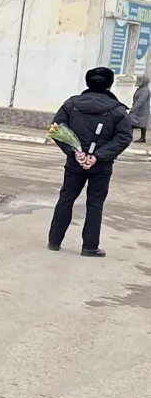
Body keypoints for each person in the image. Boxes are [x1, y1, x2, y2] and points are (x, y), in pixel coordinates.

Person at [48, 67, 134, 257]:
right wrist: (98, 156)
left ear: (87, 83)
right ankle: (89, 247)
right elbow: (124, 136)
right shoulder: (118, 110)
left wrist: (74, 152)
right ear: (110, 84)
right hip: (101, 166)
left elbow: (56, 128)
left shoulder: (71, 105)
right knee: (95, 204)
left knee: (66, 199)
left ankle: (54, 241)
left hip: (74, 163)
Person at [130, 73, 149, 144]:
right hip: (138, 109)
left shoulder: (145, 90)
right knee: (136, 123)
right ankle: (140, 137)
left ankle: (142, 138)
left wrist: (133, 109)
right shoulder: (141, 89)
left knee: (133, 122)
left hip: (141, 110)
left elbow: (141, 100)